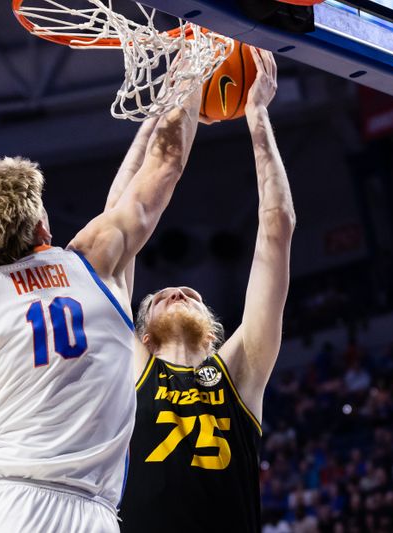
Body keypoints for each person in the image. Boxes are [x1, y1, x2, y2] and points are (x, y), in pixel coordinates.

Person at [0, 83, 203, 532]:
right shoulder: (95, 263)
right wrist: (191, 76)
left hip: (6, 509)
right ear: (41, 224)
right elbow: (164, 166)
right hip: (93, 513)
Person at [118, 48, 295, 533]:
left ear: (216, 335)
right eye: (159, 297)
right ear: (144, 336)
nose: (177, 289)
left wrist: (257, 115)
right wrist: (162, 109)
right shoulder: (132, 370)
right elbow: (120, 228)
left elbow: (276, 231)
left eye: (187, 294)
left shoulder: (240, 371)